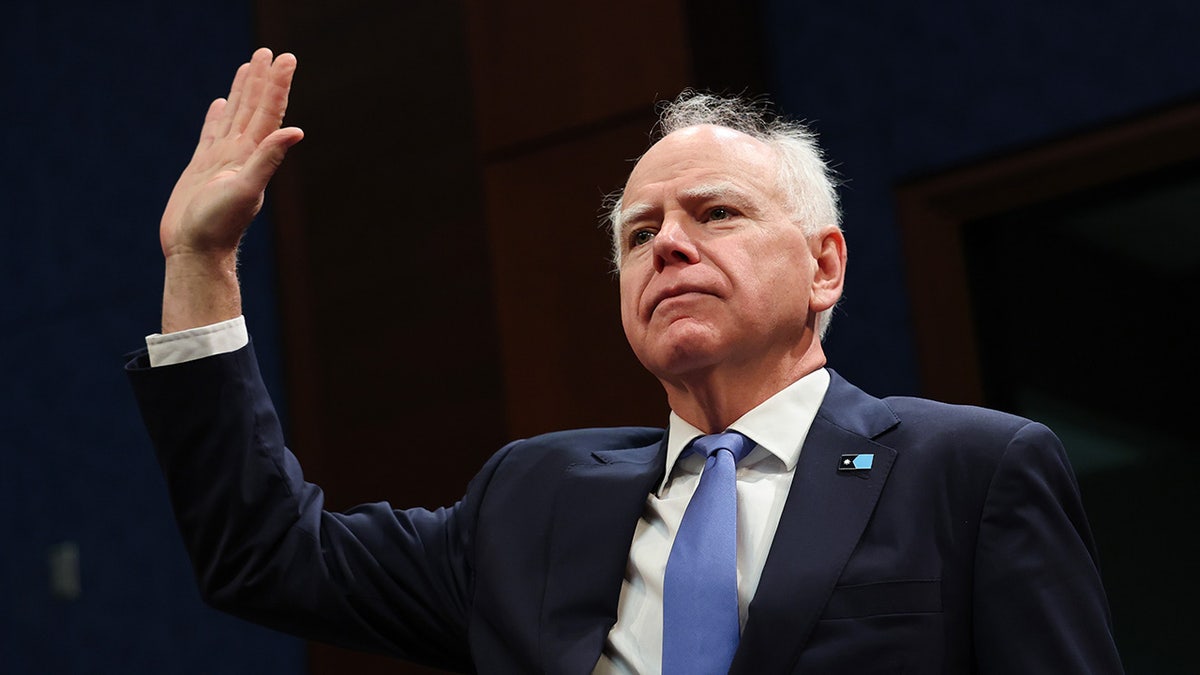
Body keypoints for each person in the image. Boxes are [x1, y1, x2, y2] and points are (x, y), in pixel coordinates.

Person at [127, 48, 1124, 674]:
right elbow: (267, 555)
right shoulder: (533, 498)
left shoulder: (970, 470)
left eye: (716, 213)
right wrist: (200, 262)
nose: (669, 246)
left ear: (824, 266)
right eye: (640, 233)